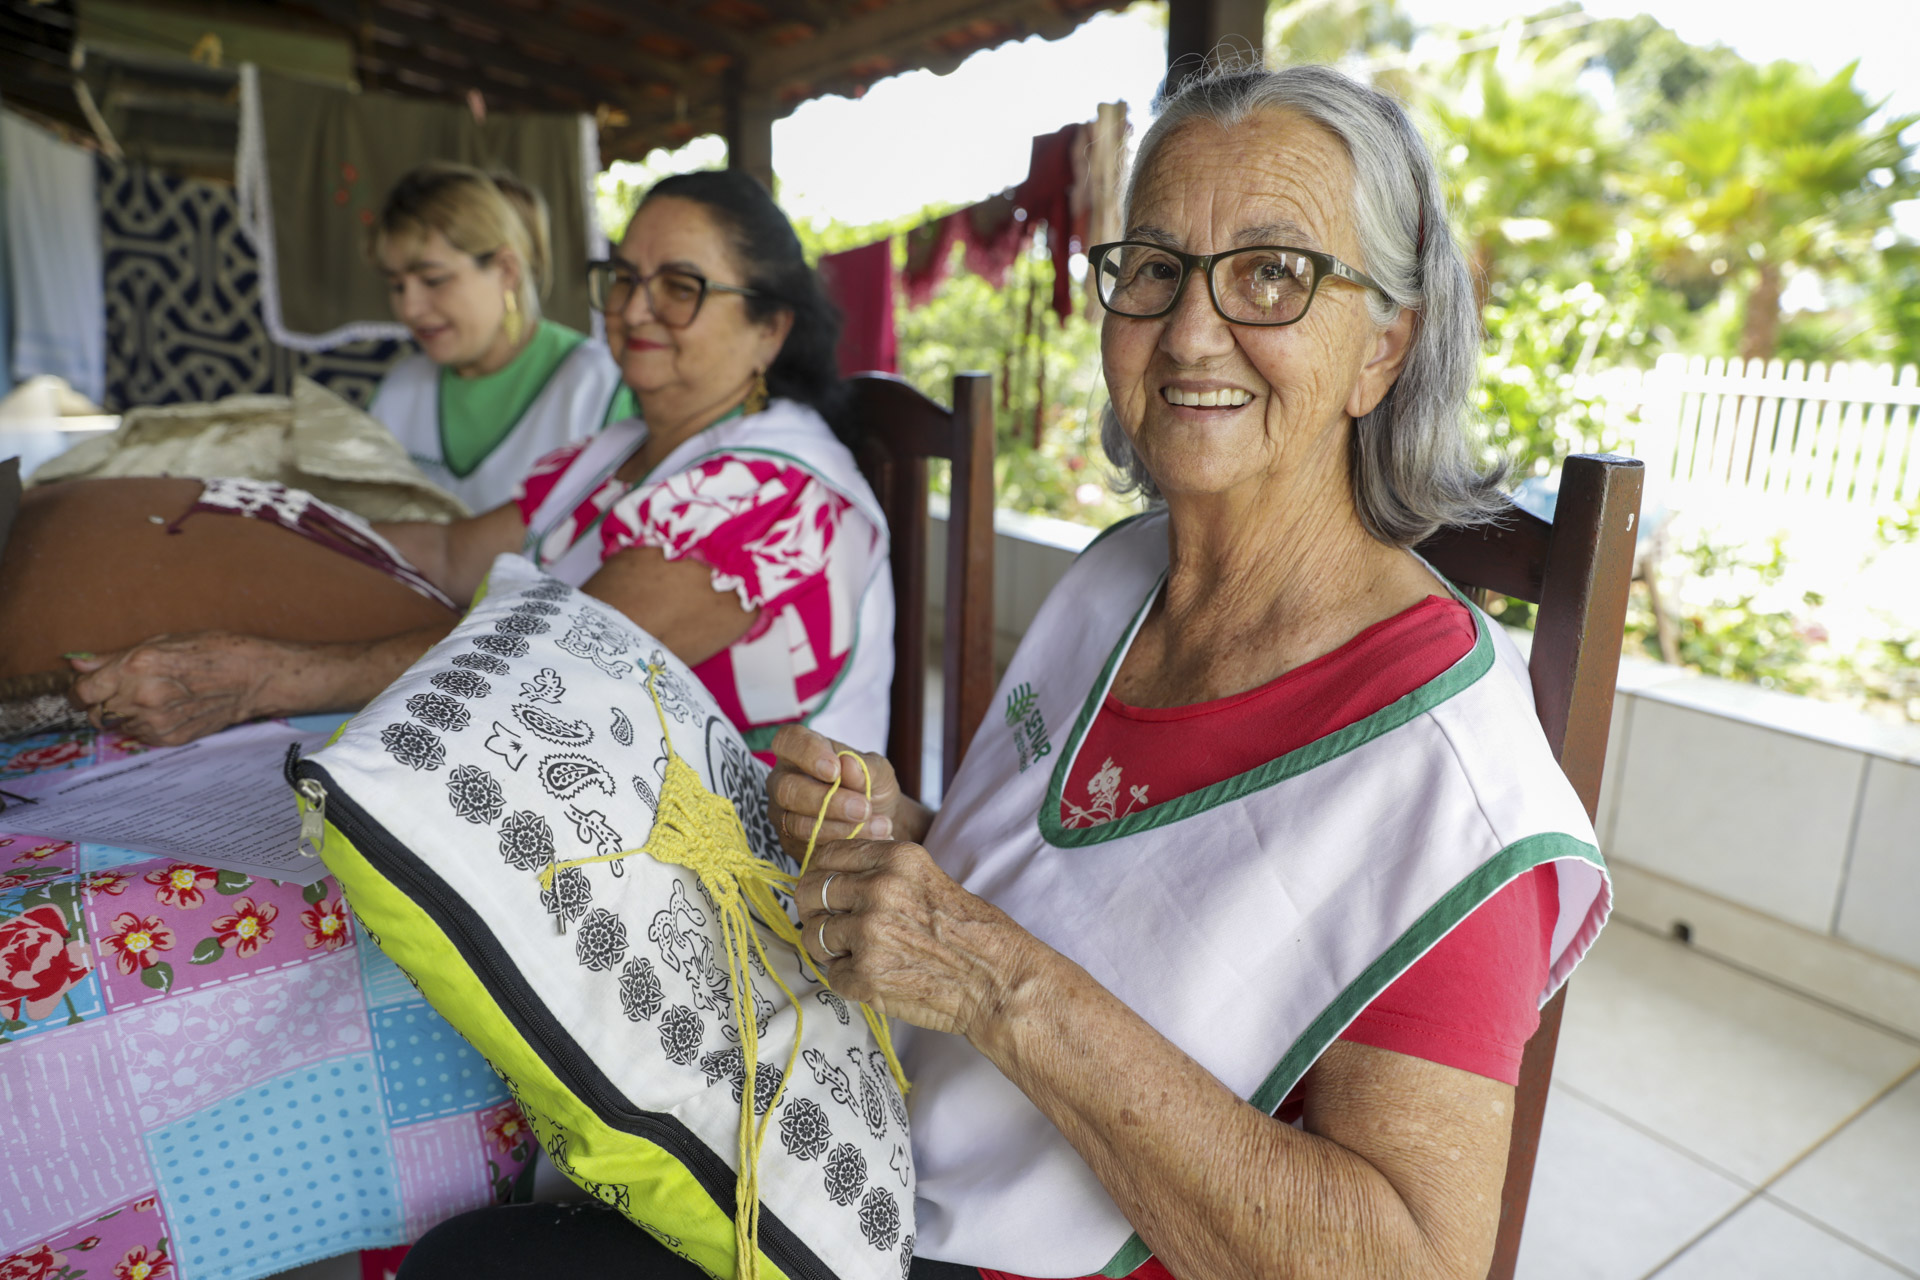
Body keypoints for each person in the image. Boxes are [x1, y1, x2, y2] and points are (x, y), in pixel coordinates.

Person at [395, 64, 1609, 1280]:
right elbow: (1082, 882)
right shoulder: (1120, 580)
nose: (1191, 331)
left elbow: (1411, 1264)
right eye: (1152, 268)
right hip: (865, 1151)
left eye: (1274, 274)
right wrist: (900, 838)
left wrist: (989, 974)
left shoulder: (1448, 780)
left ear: (1384, 348)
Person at [69, 170, 893, 758]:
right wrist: (247, 528)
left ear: (770, 327)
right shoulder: (614, 456)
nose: (636, 309)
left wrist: (267, 676)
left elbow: (555, 655)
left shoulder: (777, 497)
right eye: (623, 278)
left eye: (681, 286)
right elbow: (451, 553)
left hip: (745, 897)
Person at [367, 164, 635, 511]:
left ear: (506, 270)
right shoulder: (400, 391)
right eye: (396, 286)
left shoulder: (596, 389)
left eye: (434, 280)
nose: (410, 308)